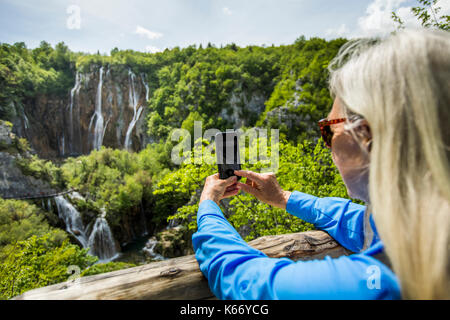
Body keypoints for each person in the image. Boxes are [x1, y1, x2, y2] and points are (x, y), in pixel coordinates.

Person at [192, 28, 449, 300]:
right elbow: (359, 222)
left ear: (367, 135)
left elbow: (246, 281)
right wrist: (282, 197)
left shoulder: (380, 282)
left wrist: (208, 206)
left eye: (328, 130)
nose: (327, 143)